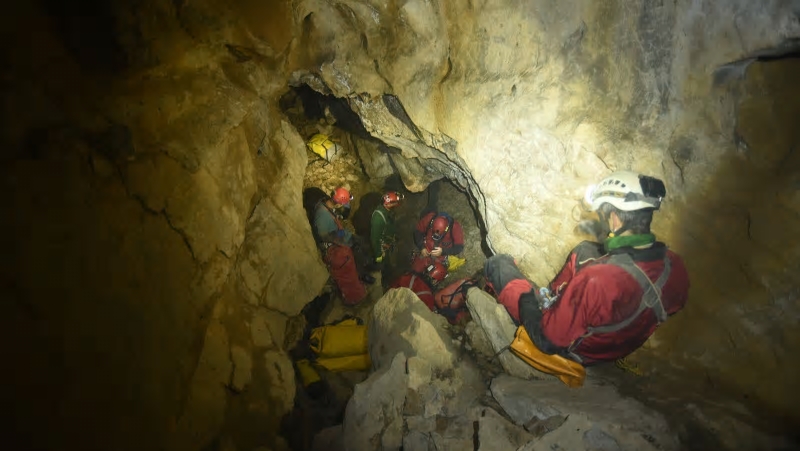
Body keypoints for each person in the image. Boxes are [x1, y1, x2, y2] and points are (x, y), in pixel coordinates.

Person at [482, 171, 690, 366]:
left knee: (498, 264)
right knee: (585, 249)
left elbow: (547, 340)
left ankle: (548, 304)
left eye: (606, 215)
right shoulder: (674, 265)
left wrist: (528, 300)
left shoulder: (595, 280)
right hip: (616, 343)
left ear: (615, 219)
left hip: (579, 350)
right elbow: (669, 306)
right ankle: (553, 297)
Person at [313, 187, 375, 305]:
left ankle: (361, 273)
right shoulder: (322, 216)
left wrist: (346, 207)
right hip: (335, 244)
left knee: (362, 243)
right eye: (344, 203)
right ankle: (360, 276)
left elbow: (341, 214)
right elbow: (325, 236)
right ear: (338, 203)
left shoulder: (328, 204)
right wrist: (345, 240)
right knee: (357, 250)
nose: (344, 205)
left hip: (341, 235)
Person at [370, 191, 403, 264]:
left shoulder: (387, 211)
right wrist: (378, 255)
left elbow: (389, 225)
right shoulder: (378, 218)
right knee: (382, 266)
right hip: (382, 249)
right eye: (395, 203)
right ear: (387, 204)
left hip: (388, 244)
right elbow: (374, 239)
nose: (397, 204)